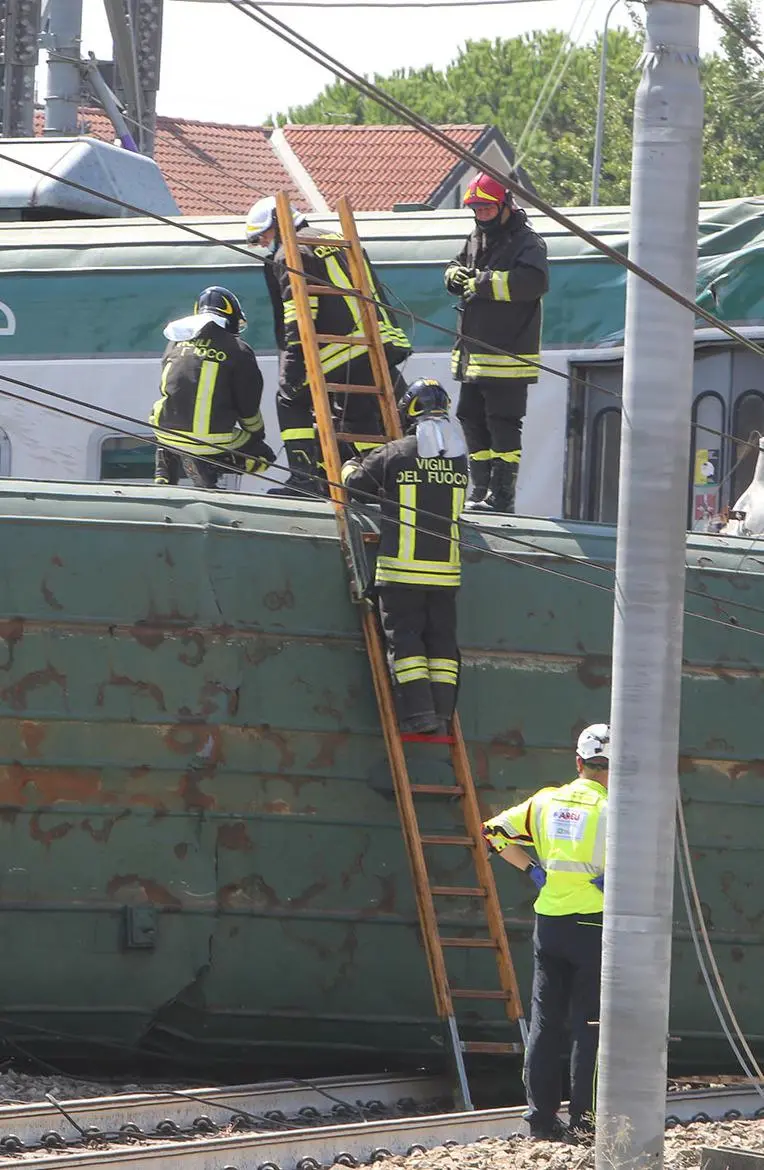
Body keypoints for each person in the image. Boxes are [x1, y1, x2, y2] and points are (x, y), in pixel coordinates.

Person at [482, 723, 609, 1142]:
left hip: (549, 923)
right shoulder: (615, 808)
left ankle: (540, 1120)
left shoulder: (545, 801)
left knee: (545, 1021)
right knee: (589, 1024)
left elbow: (492, 832)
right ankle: (585, 1122)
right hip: (594, 924)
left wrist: (533, 870)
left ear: (578, 763)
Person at [245, 196, 413, 496]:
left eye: (263, 237)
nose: (264, 245)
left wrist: (293, 371)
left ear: (277, 224)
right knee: (360, 415)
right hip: (382, 343)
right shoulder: (338, 239)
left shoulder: (290, 253)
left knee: (289, 398)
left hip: (343, 349)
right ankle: (375, 482)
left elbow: (299, 315)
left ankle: (303, 477)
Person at [341, 378, 468, 735]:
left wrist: (351, 464)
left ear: (410, 408)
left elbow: (353, 488)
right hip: (446, 575)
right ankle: (442, 712)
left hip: (401, 573)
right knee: (442, 644)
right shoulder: (459, 461)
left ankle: (419, 714)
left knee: (406, 641)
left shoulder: (397, 452)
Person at [445, 172, 549, 514]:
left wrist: (483, 283)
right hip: (473, 354)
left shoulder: (528, 242)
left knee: (502, 422)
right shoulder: (476, 237)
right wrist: (453, 275)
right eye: (476, 209)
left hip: (508, 355)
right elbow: (459, 264)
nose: (481, 215)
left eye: (487, 209)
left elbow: (532, 283)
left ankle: (502, 497)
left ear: (505, 206)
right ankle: (481, 490)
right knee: (469, 416)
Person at [150, 286, 274, 489]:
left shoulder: (175, 343)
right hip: (210, 437)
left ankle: (164, 468)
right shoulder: (239, 350)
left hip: (163, 431)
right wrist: (256, 434)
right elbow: (248, 406)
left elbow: (173, 387)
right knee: (263, 457)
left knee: (172, 422)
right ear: (231, 317)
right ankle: (209, 467)